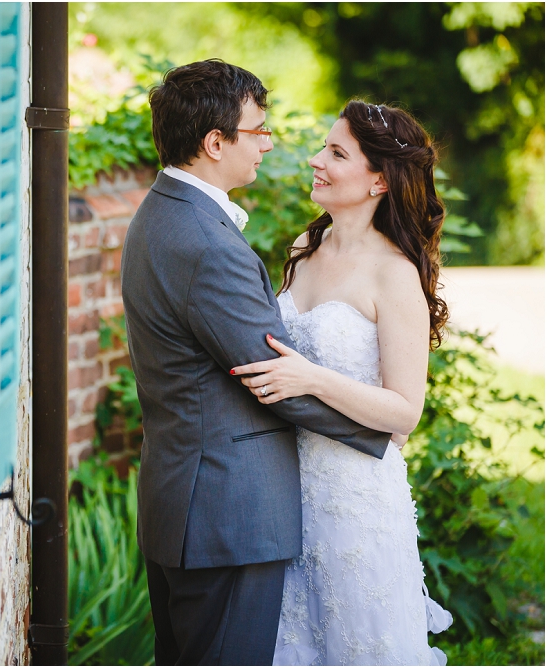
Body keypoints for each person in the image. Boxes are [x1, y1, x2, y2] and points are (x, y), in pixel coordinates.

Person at [121, 59, 391, 666]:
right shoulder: (209, 244)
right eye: (257, 131)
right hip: (226, 517)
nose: (269, 143)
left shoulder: (160, 214)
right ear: (215, 143)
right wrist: (382, 428)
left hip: (190, 502)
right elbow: (273, 377)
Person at [230, 100, 453, 665]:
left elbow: (404, 413)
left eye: (335, 152)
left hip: (354, 494)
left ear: (379, 178)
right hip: (282, 485)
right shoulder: (307, 249)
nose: (314, 160)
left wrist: (312, 378)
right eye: (323, 148)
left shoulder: (394, 274)